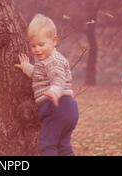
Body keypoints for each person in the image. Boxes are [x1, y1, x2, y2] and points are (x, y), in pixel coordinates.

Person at [15, 14, 79, 156]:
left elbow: (58, 78)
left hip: (56, 106)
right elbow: (39, 75)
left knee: (47, 145)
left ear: (54, 41)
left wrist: (54, 92)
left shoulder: (53, 61)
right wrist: (26, 67)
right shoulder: (47, 61)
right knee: (63, 147)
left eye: (41, 44)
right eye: (33, 46)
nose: (37, 49)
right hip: (69, 109)